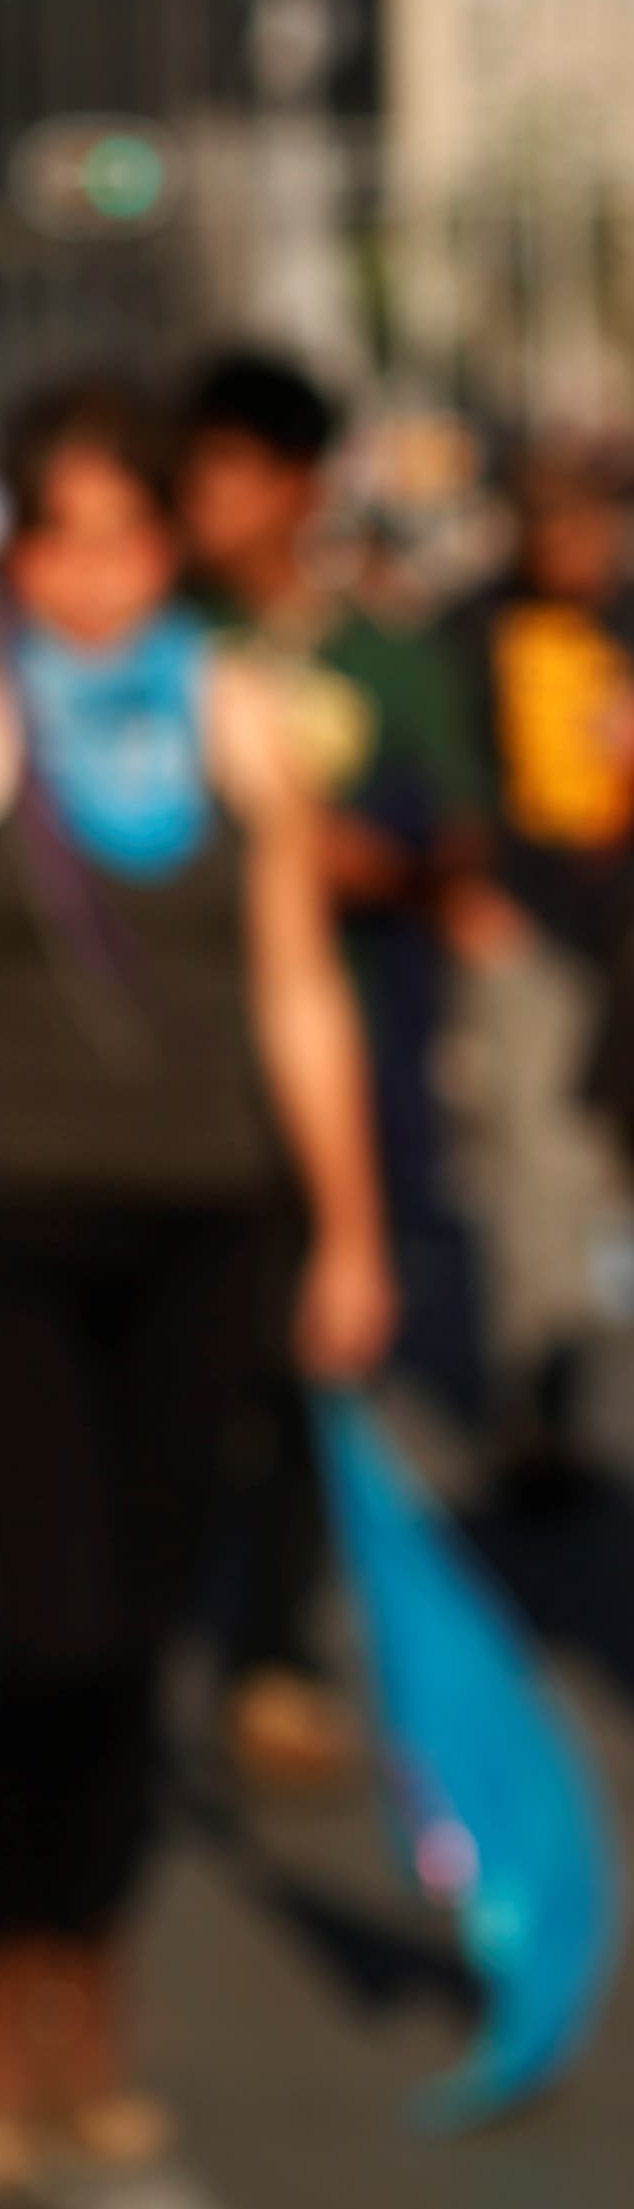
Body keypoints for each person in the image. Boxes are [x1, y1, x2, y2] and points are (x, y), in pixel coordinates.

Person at [0, 275, 391, 2193]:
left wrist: (351, 1235)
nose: (97, 569)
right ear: (20, 547)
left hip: (210, 1233)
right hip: (5, 1234)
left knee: (133, 1660)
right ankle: (2, 1993)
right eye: (61, 532)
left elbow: (299, 995)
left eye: (127, 531)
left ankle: (85, 1987)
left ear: (164, 545)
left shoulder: (247, 717)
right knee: (59, 1624)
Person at [177, 350, 490, 1785]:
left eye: (235, 469)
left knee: (303, 1370)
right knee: (195, 1366)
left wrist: (362, 859)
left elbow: (456, 849)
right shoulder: (163, 649)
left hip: (341, 1064)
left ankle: (273, 1653)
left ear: (299, 485)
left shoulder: (382, 653)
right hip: (180, 1071)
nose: (208, 499)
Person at [441, 436, 634, 1502]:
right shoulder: (473, 627)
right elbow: (444, 771)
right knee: (537, 1168)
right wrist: (467, 892)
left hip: (625, 923)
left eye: (591, 523)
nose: (578, 547)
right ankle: (541, 1407)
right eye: (554, 526)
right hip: (526, 924)